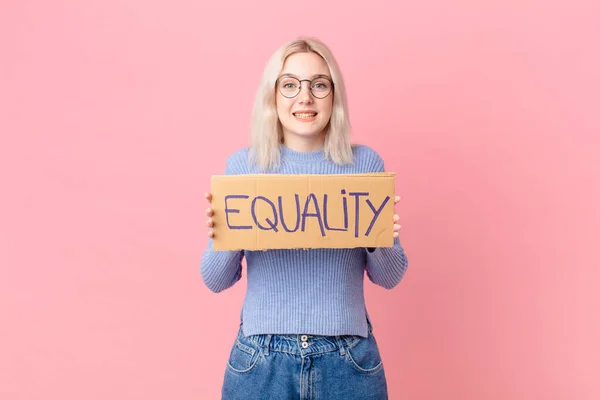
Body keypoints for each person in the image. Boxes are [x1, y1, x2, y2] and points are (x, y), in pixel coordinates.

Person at [200, 37, 408, 400]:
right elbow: (215, 279)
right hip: (261, 360)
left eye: (319, 85)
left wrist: (379, 238)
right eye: (291, 85)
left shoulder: (364, 167)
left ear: (334, 96)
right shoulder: (244, 169)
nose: (305, 97)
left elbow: (390, 276)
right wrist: (225, 235)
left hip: (349, 360)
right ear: (273, 96)